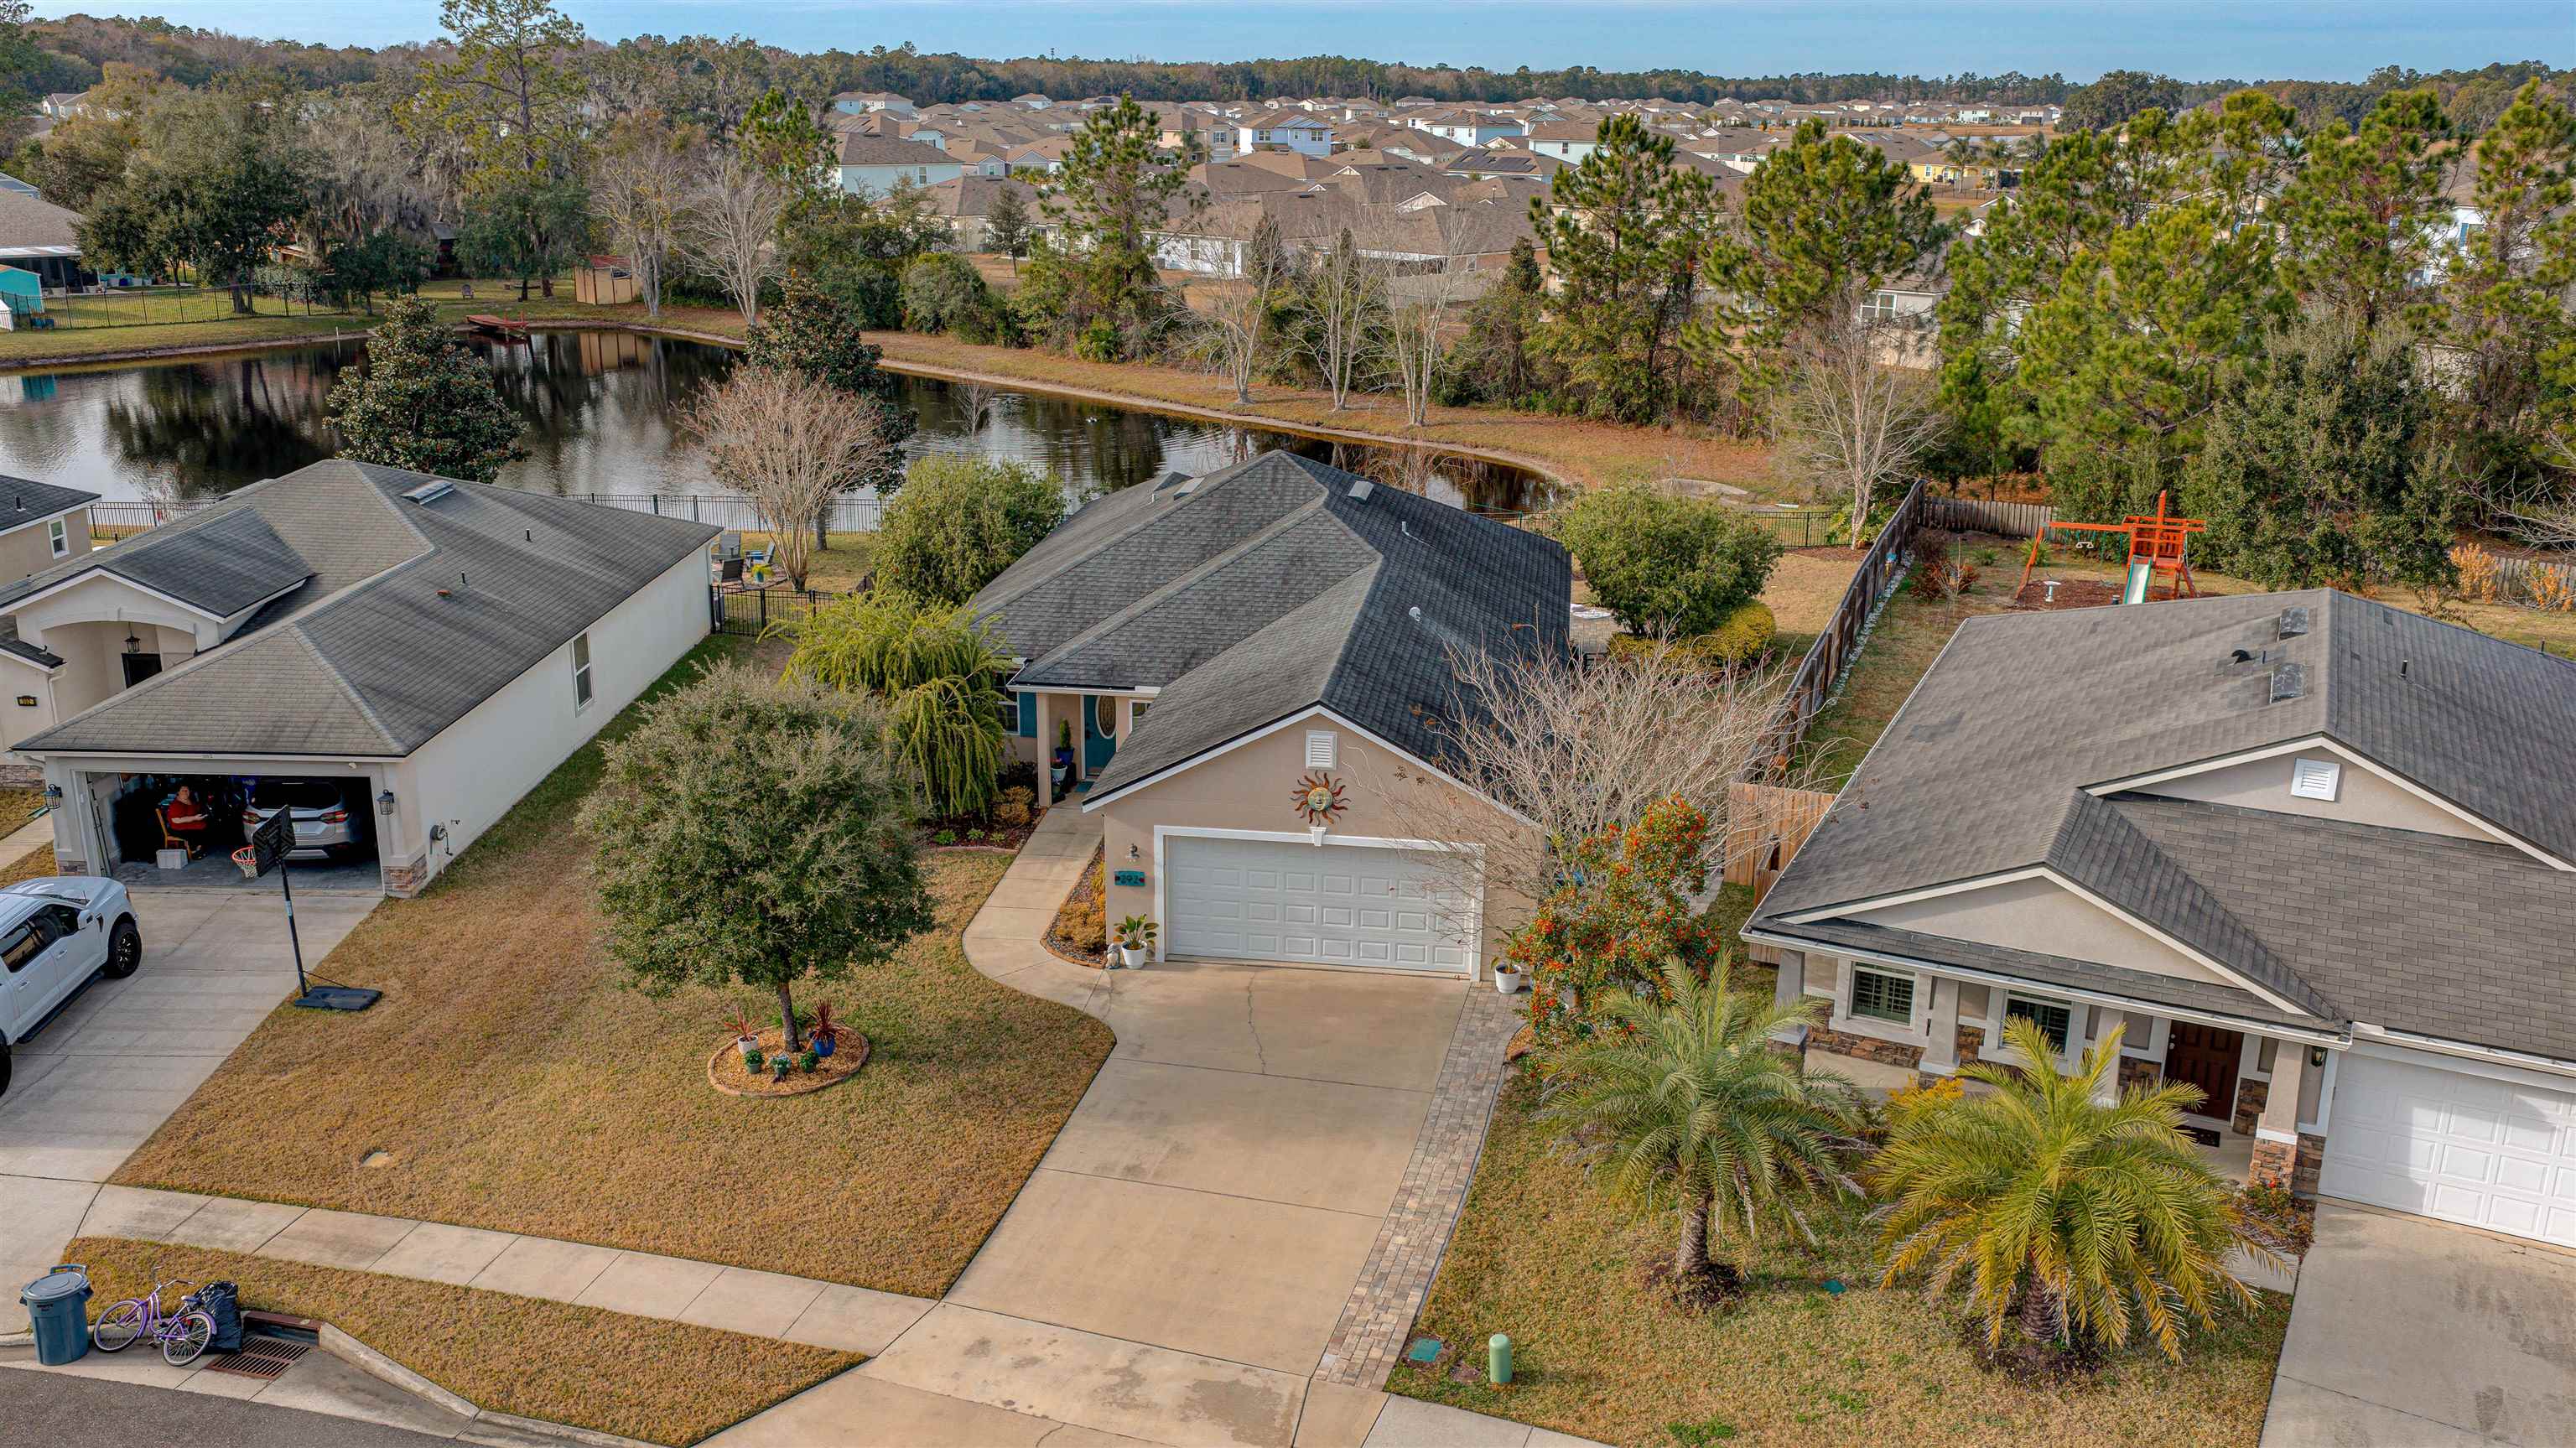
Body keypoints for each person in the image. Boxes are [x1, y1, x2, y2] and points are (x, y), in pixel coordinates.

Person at [159, 785, 209, 857]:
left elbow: (195, 810)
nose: (186, 792)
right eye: (183, 791)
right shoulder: (175, 804)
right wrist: (194, 818)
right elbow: (176, 820)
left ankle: (200, 847)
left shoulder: (190, 801)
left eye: (187, 790)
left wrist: (201, 815)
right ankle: (194, 851)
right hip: (176, 827)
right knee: (193, 832)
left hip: (188, 823)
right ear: (178, 792)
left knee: (205, 826)